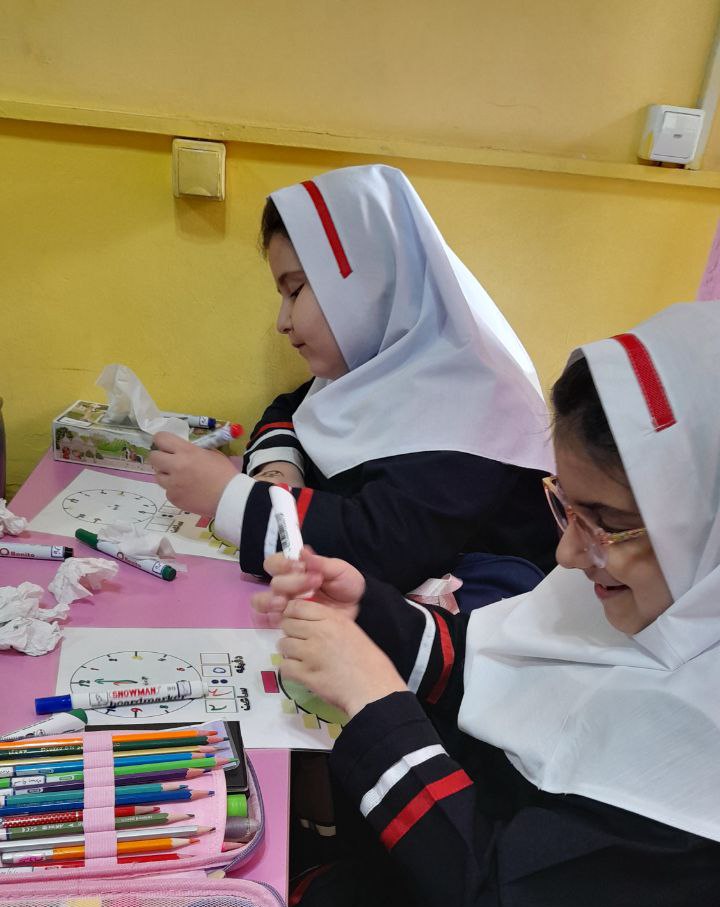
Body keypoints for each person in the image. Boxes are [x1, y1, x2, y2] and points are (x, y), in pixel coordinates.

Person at [112, 301, 720, 907]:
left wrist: (373, 702)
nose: (570, 553)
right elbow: (501, 658)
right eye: (565, 507)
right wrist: (372, 611)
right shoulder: (659, 585)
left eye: (606, 521)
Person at [148, 164, 557, 597]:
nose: (283, 322)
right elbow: (290, 410)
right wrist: (278, 471)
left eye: (295, 290)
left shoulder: (478, 402)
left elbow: (382, 549)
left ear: (366, 282)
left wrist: (229, 496)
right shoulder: (381, 364)